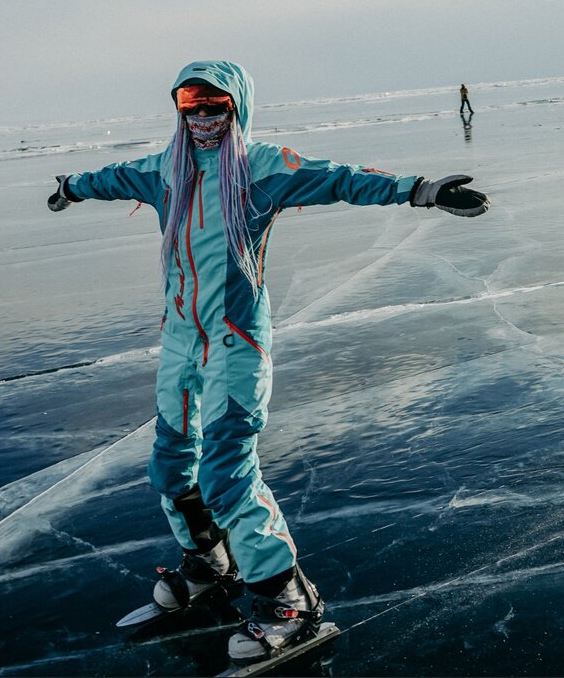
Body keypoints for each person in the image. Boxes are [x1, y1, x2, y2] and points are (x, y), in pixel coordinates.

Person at [47, 61, 490, 662]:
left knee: (226, 472)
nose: (203, 118)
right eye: (190, 104)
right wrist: (72, 185)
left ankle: (288, 599)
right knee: (172, 467)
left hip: (235, 343)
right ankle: (209, 565)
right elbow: (110, 177)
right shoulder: (163, 172)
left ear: (238, 106)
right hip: (180, 341)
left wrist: (422, 189)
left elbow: (340, 178)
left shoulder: (263, 168)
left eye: (215, 105)